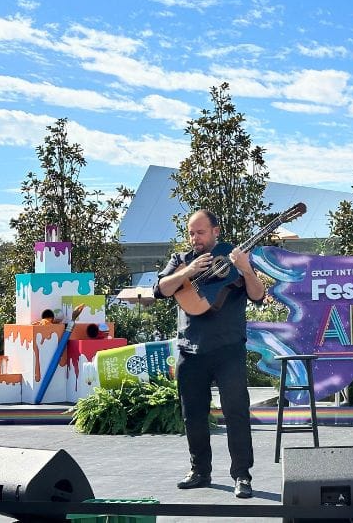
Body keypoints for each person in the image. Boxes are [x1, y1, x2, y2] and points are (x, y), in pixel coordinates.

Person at [154, 209, 265, 499]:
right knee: (193, 415)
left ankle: (242, 475)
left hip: (229, 349)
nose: (194, 238)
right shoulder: (180, 260)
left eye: (200, 232)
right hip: (190, 350)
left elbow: (257, 295)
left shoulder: (235, 257)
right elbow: (161, 289)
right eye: (191, 232)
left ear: (216, 231)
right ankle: (200, 471)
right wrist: (188, 271)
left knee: (236, 413)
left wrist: (246, 268)